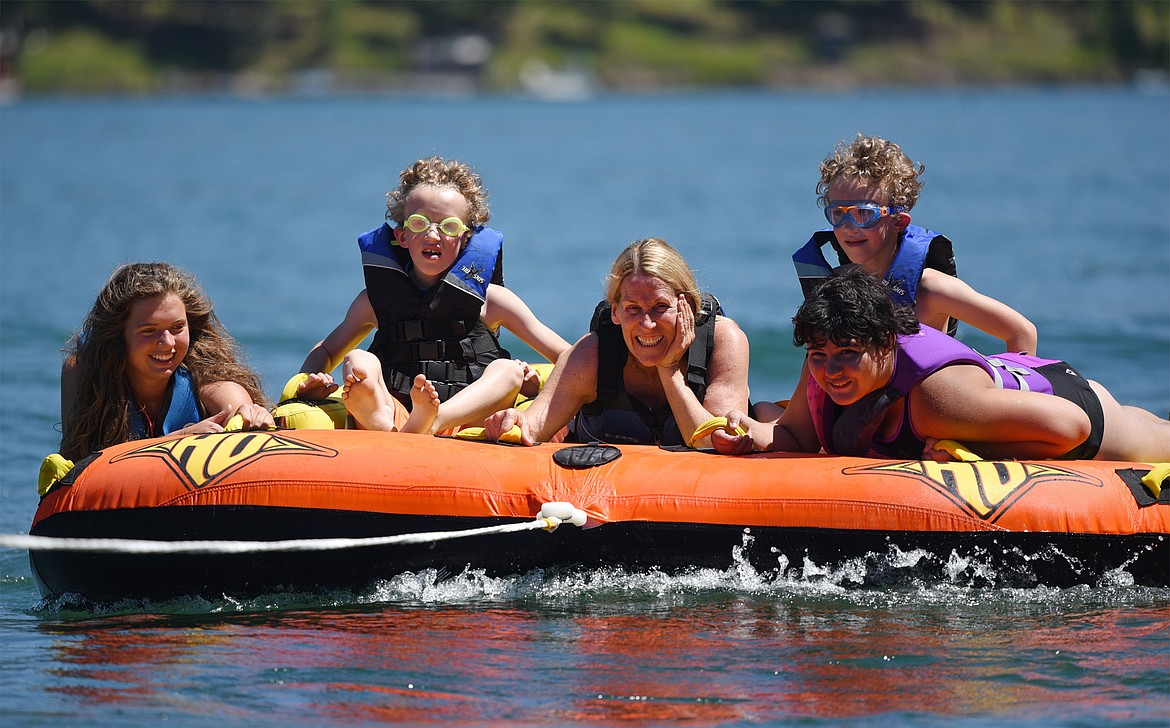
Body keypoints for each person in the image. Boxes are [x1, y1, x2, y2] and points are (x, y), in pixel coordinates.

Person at [713, 267, 1170, 462]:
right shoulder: (826, 367)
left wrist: (976, 452)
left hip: (1081, 406)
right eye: (819, 356)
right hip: (1000, 389)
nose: (831, 369)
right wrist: (745, 434)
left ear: (886, 344)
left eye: (848, 353)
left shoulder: (938, 401)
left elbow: (1073, 427)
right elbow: (796, 435)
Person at [755, 133, 1038, 422]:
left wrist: (1017, 407)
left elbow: (1020, 332)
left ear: (897, 221)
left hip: (918, 416)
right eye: (838, 214)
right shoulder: (836, 288)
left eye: (863, 214)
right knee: (762, 410)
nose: (849, 227)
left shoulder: (931, 288)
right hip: (857, 412)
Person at [295, 157, 569, 434]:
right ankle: (383, 421)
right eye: (418, 223)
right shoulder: (375, 302)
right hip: (399, 416)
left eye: (448, 226)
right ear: (402, 236)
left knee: (508, 371)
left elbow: (567, 355)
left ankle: (433, 420)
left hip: (467, 421)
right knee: (357, 359)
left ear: (465, 239)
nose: (432, 234)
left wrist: (538, 390)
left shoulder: (491, 300)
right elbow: (329, 350)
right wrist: (308, 381)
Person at [484, 237, 751, 447]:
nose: (647, 324)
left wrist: (669, 371)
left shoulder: (724, 344)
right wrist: (513, 422)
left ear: (688, 306)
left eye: (660, 306)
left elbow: (716, 443)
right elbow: (533, 426)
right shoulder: (592, 355)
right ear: (615, 312)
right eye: (633, 308)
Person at [59, 263, 274, 462]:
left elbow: (236, 408)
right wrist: (176, 440)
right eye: (149, 330)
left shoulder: (208, 379)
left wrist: (250, 417)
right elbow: (77, 462)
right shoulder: (83, 371)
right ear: (117, 335)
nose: (167, 342)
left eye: (177, 327)